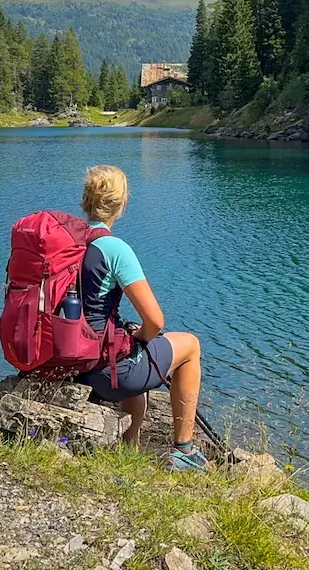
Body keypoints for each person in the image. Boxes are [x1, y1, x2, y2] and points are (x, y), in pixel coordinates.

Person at [75, 164, 207, 471]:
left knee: (132, 349)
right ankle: (183, 451)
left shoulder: (69, 243)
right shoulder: (114, 248)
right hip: (103, 373)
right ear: (122, 204)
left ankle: (128, 448)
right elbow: (156, 321)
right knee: (189, 346)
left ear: (85, 201)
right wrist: (141, 337)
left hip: (71, 360)